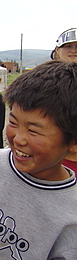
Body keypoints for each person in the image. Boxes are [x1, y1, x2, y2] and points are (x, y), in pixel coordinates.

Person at [0, 61, 77, 260]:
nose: (18, 139)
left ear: (73, 143)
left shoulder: (71, 215)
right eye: (13, 122)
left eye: (34, 130)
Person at [50, 28, 77, 174]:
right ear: (57, 51)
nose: (73, 51)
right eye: (68, 46)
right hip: (53, 155)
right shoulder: (45, 80)